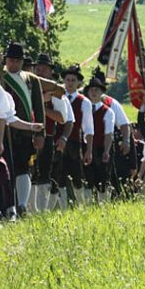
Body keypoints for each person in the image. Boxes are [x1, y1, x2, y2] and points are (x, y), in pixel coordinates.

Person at [0, 43, 48, 215]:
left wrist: (40, 133)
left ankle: (21, 205)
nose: (13, 64)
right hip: (4, 131)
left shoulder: (31, 80)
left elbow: (38, 108)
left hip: (26, 131)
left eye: (17, 61)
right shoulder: (0, 76)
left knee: (24, 168)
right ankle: (7, 206)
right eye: (11, 60)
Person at [32, 53, 72, 211]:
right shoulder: (29, 87)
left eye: (43, 69)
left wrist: (41, 106)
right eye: (38, 69)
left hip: (47, 137)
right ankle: (29, 210)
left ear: (49, 72)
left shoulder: (56, 92)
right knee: (30, 173)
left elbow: (62, 118)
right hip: (28, 136)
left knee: (43, 174)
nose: (39, 71)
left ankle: (41, 209)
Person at [60, 65, 94, 206]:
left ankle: (81, 204)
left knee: (77, 177)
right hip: (59, 141)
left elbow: (89, 128)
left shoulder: (84, 102)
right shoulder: (58, 97)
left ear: (78, 83)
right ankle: (62, 207)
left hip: (74, 143)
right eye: (67, 80)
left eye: (73, 80)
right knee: (59, 175)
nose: (70, 83)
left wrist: (89, 150)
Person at [83, 73, 115, 202]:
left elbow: (109, 133)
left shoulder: (107, 111)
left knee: (102, 178)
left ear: (102, 92)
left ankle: (103, 203)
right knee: (87, 178)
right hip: (85, 147)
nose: (94, 92)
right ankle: (88, 204)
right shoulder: (84, 108)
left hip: (101, 148)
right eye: (91, 90)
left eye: (97, 90)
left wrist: (107, 151)